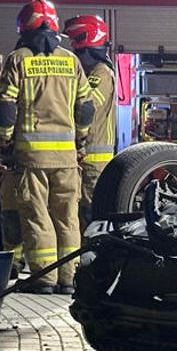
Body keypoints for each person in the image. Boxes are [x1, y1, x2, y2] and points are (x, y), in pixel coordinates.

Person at [0, 0, 93, 295]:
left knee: (37, 216)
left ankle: (44, 279)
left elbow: (5, 109)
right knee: (67, 217)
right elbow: (86, 107)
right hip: (66, 158)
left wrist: (5, 141)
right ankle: (68, 278)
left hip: (32, 158)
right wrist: (80, 139)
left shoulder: (19, 59)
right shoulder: (70, 60)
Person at [62, 15, 116, 229]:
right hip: (85, 159)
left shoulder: (100, 74)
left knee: (91, 215)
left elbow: (87, 108)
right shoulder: (90, 73)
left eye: (76, 44)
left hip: (94, 162)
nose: (74, 49)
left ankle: (93, 260)